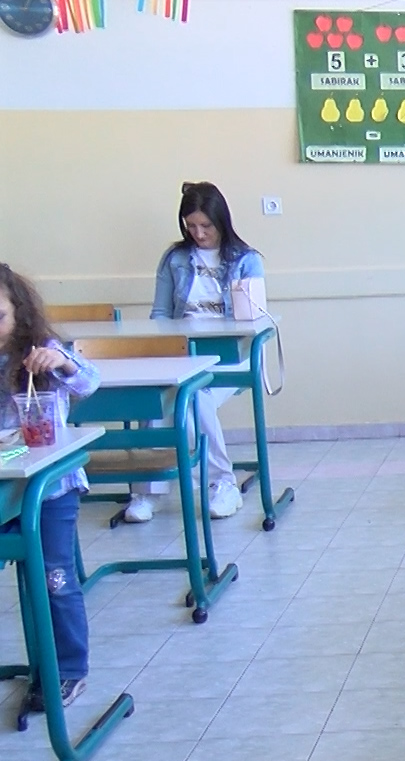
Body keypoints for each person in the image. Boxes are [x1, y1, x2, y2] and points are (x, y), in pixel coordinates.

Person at [0, 265, 101, 712]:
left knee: (53, 578)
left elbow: (89, 381)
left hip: (50, 486)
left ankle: (68, 669)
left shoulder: (42, 351)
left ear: (19, 314)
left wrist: (62, 361)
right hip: (5, 485)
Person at [142, 180, 261, 522]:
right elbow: (161, 314)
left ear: (221, 221)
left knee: (197, 396)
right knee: (158, 396)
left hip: (230, 355)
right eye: (190, 226)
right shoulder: (175, 259)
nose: (198, 233)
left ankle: (222, 483)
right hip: (184, 354)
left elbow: (252, 320)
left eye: (205, 226)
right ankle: (149, 490)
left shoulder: (246, 260)